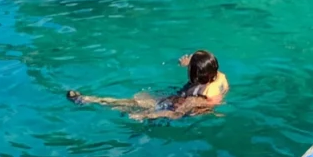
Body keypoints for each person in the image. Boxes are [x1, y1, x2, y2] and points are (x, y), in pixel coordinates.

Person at [67, 50, 229, 120]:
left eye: (189, 68)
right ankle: (88, 100)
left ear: (195, 74)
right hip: (174, 99)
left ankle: (91, 101)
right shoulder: (218, 76)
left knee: (133, 107)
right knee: (134, 102)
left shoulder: (206, 96)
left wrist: (147, 116)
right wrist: (190, 61)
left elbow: (178, 113)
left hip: (175, 107)